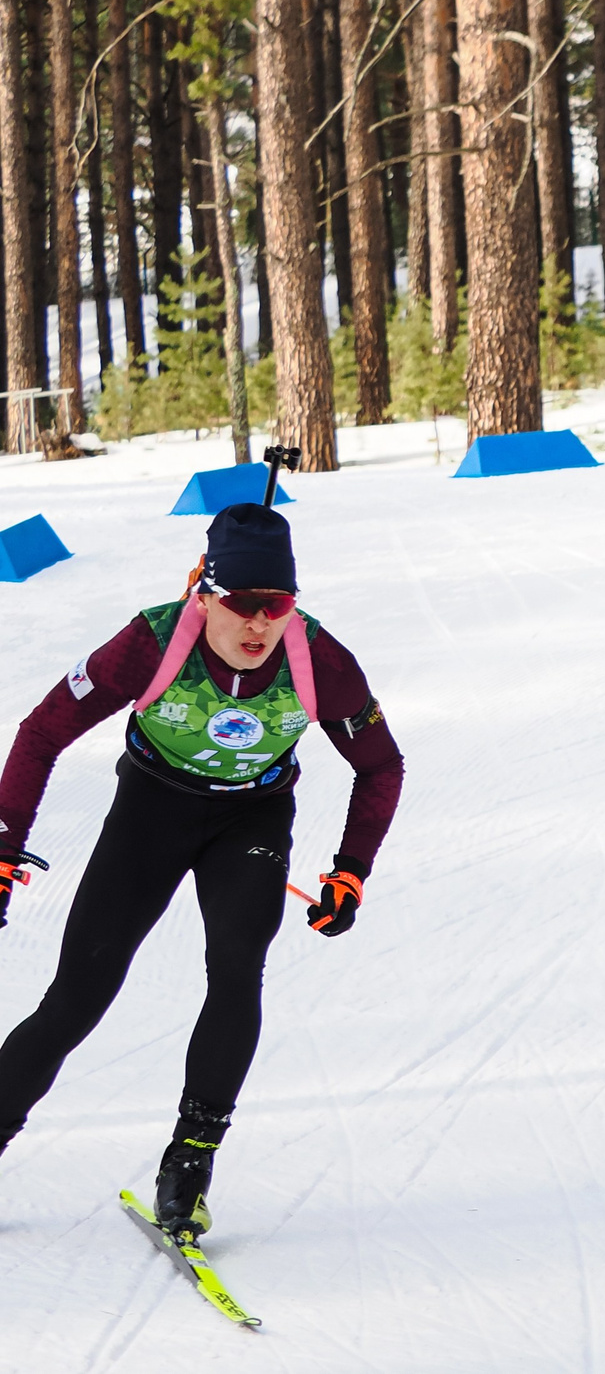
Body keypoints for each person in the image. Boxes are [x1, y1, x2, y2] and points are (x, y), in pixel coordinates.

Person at [0, 502, 403, 1236]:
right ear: (203, 593)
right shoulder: (151, 642)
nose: (258, 624)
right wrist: (4, 843)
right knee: (78, 994)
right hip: (152, 809)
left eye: (275, 604)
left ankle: (189, 1163)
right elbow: (42, 730)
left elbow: (380, 765)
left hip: (251, 819)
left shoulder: (320, 660)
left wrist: (351, 869)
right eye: (240, 603)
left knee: (237, 966)